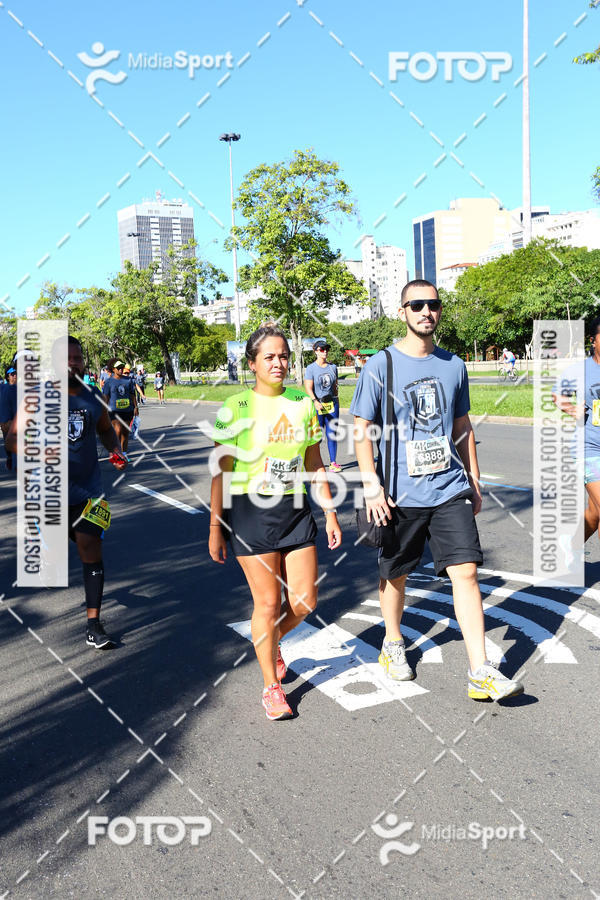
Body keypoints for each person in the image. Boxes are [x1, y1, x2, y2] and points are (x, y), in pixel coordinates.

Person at [350, 279, 524, 702]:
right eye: (417, 305)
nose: (426, 311)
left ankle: (480, 670)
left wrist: (474, 480)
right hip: (399, 494)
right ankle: (393, 642)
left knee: (465, 571)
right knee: (396, 573)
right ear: (403, 311)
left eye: (433, 304)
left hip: (448, 488)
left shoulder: (454, 366)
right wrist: (372, 486)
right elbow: (361, 430)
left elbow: (462, 429)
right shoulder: (381, 366)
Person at [208, 324, 342, 720]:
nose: (278, 363)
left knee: (304, 601)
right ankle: (271, 687)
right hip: (250, 512)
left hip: (295, 507)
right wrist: (216, 527)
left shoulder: (302, 401)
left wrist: (330, 513)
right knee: (267, 603)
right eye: (269, 357)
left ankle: (269, 642)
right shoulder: (234, 407)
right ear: (252, 364)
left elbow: (314, 461)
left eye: (283, 355)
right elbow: (221, 472)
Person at [6, 336, 127, 648]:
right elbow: (12, 439)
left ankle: (94, 624)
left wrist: (115, 450)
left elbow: (104, 429)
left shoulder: (93, 396)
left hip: (88, 492)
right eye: (66, 358)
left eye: (77, 358)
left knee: (92, 553)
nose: (73, 363)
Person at [552, 315, 600, 545]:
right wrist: (571, 408)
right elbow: (557, 395)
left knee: (595, 512)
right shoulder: (580, 370)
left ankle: (569, 547)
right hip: (588, 447)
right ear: (594, 340)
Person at [304, 340, 342, 473]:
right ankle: (312, 462)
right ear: (315, 351)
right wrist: (315, 400)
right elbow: (308, 388)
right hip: (317, 404)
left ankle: (333, 463)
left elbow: (335, 386)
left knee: (332, 433)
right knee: (317, 435)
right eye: (321, 349)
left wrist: (336, 400)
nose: (324, 351)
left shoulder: (333, 367)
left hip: (332, 403)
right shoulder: (311, 368)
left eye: (326, 349)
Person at [102, 360, 138, 456]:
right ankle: (117, 453)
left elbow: (132, 395)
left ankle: (124, 453)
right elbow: (106, 397)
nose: (121, 369)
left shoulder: (128, 380)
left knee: (125, 433)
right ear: (113, 369)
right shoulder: (108, 382)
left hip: (127, 410)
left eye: (122, 367)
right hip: (114, 411)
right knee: (117, 431)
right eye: (119, 368)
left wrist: (136, 407)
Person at [0, 364, 17, 471]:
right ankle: (10, 457)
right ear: (7, 376)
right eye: (12, 374)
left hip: (18, 415)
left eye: (16, 373)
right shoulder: (2, 387)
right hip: (6, 416)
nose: (14, 376)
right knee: (7, 438)